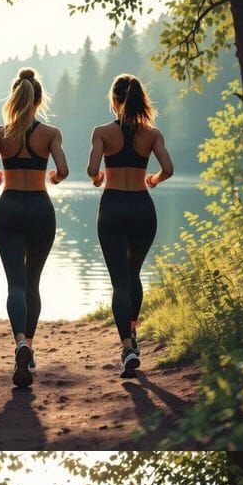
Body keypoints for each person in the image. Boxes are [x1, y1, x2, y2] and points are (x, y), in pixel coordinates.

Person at [0, 69, 68, 387]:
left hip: (9, 209)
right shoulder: (50, 133)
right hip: (40, 209)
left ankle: (18, 340)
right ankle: (29, 347)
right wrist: (54, 179)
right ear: (39, 100)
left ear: (14, 97)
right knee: (34, 284)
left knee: (15, 285)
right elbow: (63, 170)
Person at [87, 75, 174, 378]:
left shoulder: (102, 132)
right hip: (141, 207)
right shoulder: (152, 134)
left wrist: (98, 179)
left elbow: (92, 170)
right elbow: (169, 169)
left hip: (112, 207)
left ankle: (127, 347)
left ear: (114, 99)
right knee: (133, 274)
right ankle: (133, 334)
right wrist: (153, 180)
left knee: (119, 282)